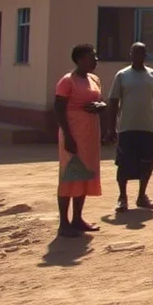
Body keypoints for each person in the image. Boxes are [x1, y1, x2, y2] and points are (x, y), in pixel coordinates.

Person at [54, 43, 107, 238]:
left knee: (84, 175)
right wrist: (67, 136)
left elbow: (99, 101)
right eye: (91, 56)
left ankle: (77, 218)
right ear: (80, 59)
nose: (95, 60)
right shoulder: (67, 81)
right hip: (73, 134)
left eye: (95, 56)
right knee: (70, 176)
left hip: (90, 135)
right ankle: (64, 223)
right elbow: (59, 109)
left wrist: (100, 105)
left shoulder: (94, 79)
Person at [105, 42, 153, 213]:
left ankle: (142, 195)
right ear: (130, 55)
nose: (138, 56)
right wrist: (110, 128)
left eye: (142, 53)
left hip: (148, 128)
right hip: (126, 127)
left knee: (147, 163)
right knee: (124, 163)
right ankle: (122, 197)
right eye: (135, 53)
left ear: (146, 56)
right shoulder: (122, 75)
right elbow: (114, 101)